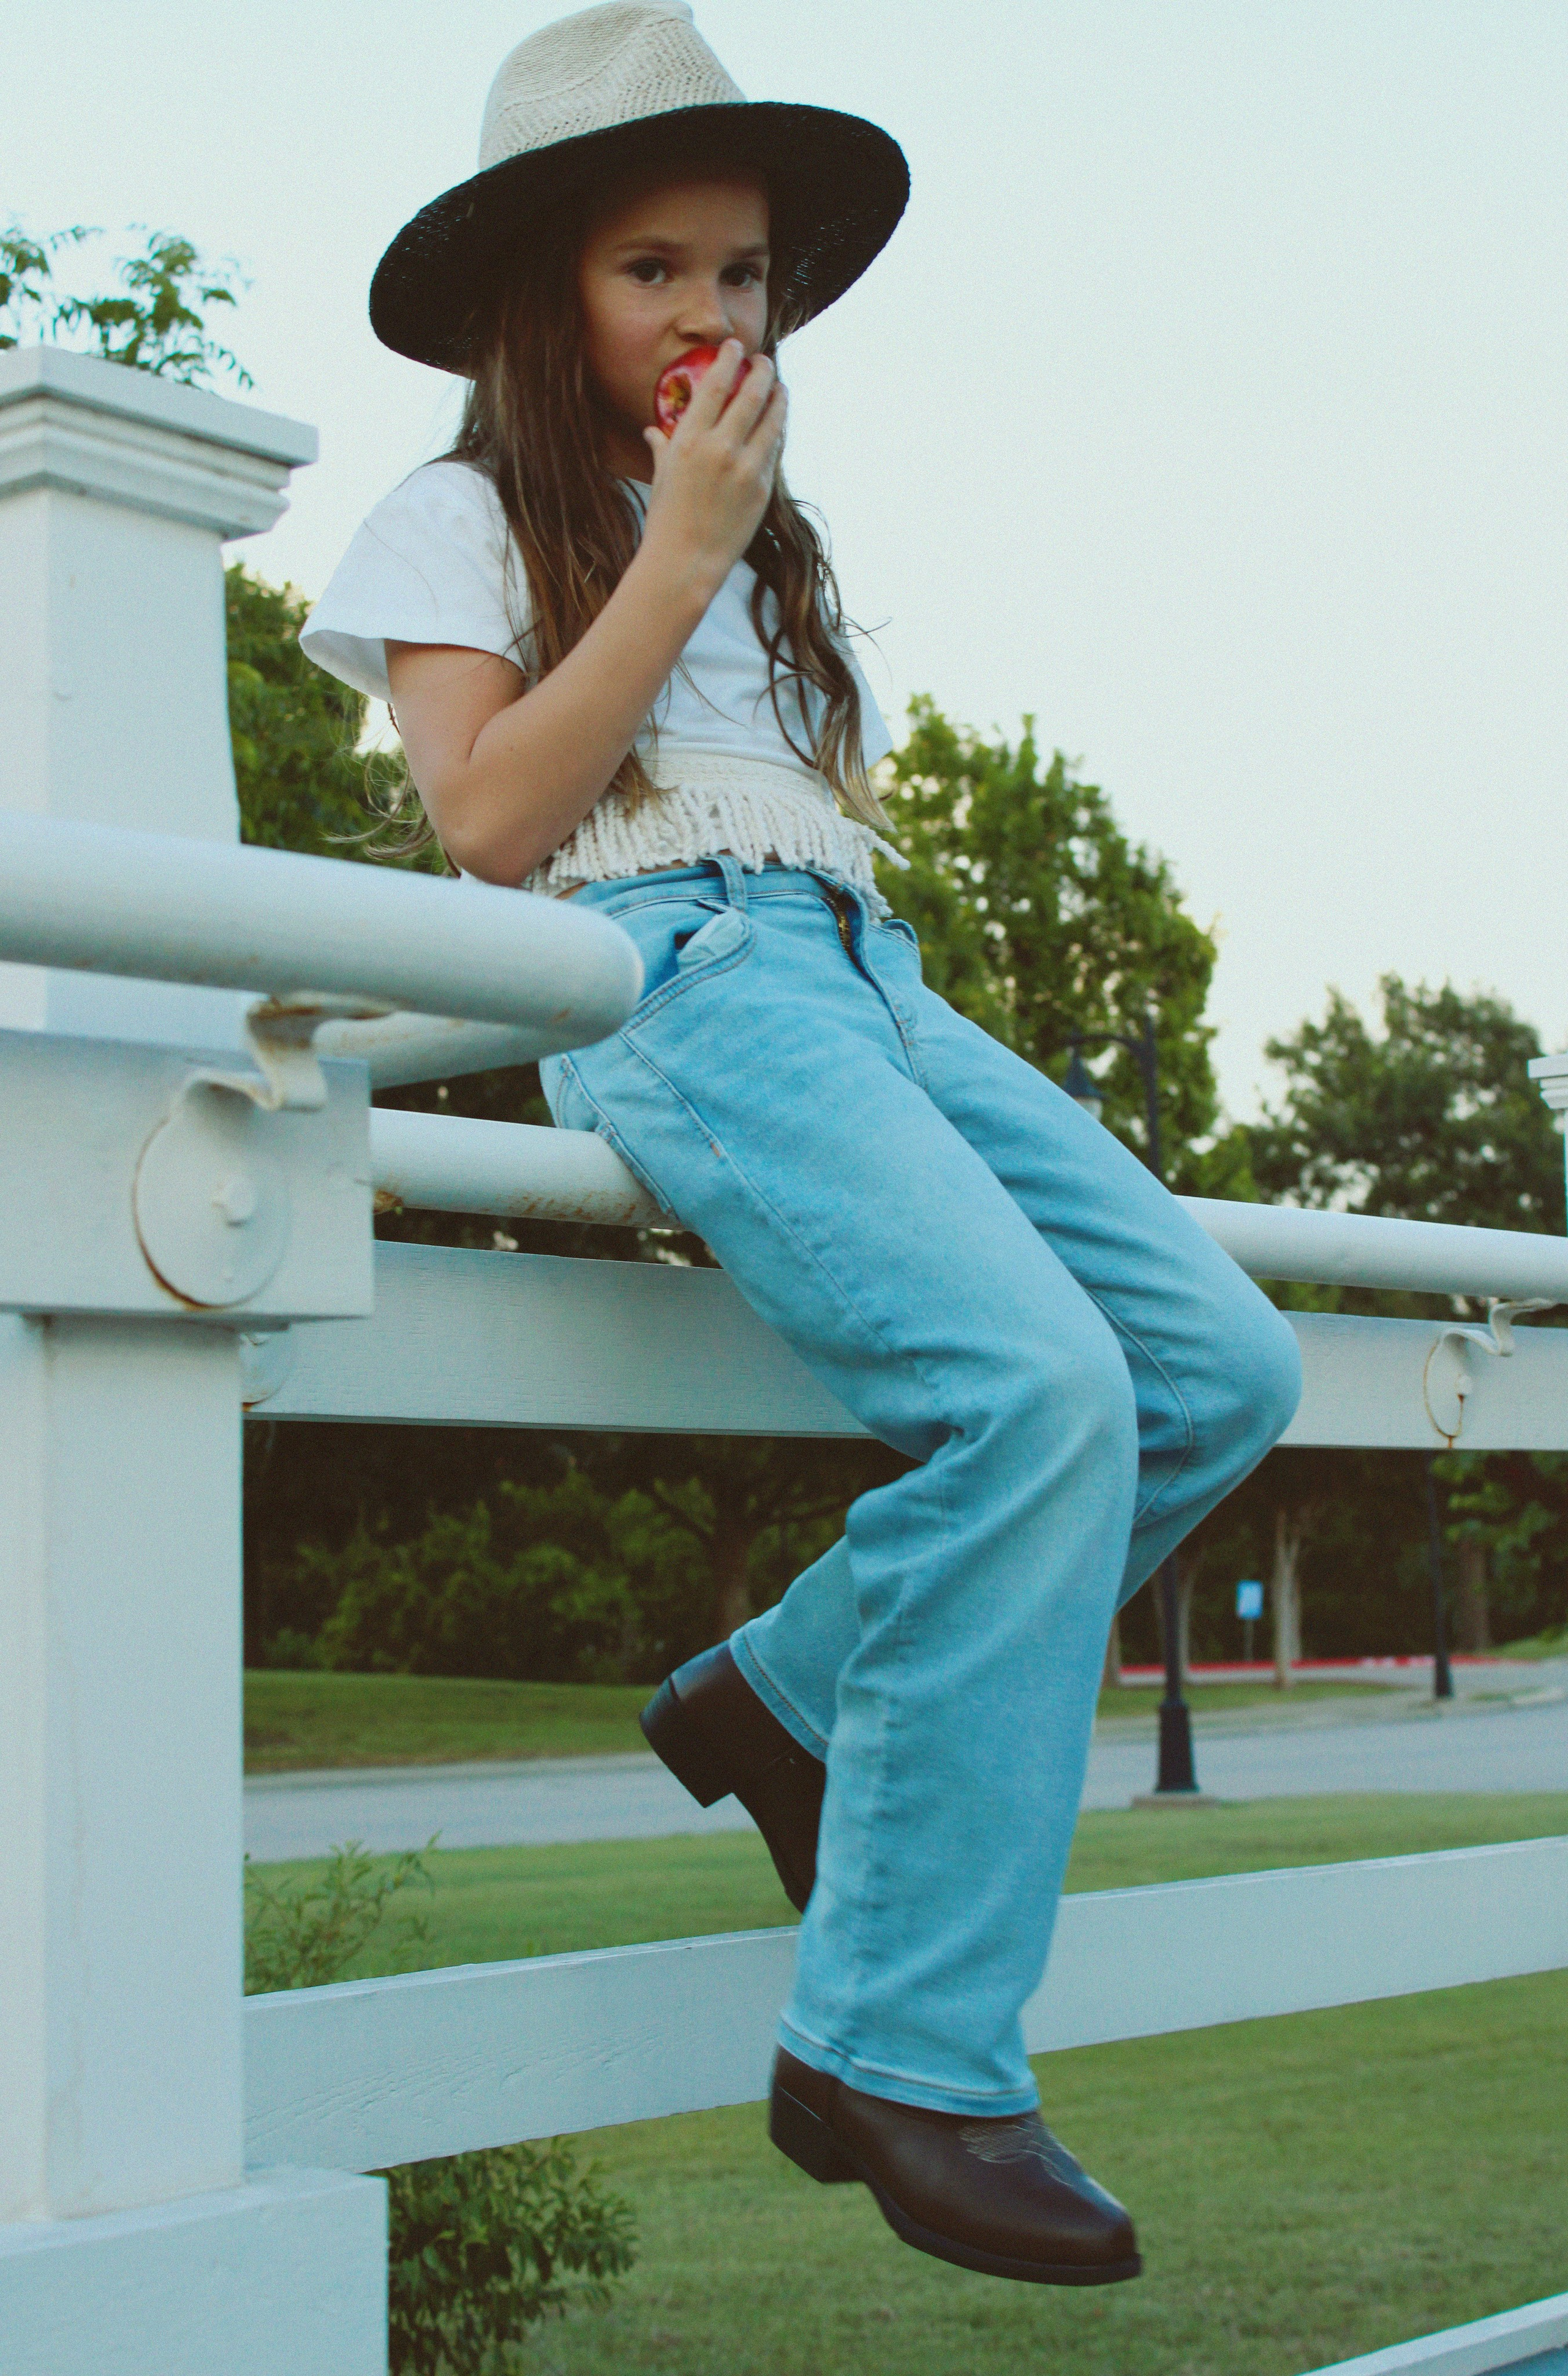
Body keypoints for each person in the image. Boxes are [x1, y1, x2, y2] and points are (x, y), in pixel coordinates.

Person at [303, 0, 1302, 2290]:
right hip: (670, 977)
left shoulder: (771, 550)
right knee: (1033, 1395)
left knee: (1216, 1369)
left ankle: (783, 1688)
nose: (714, 315)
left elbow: (800, 836)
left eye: (744, 275)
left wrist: (730, 552)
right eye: (657, 268)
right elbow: (490, 824)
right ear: (545, 292)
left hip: (863, 970)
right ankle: (901, 2051)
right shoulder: (459, 512)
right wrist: (674, 551)